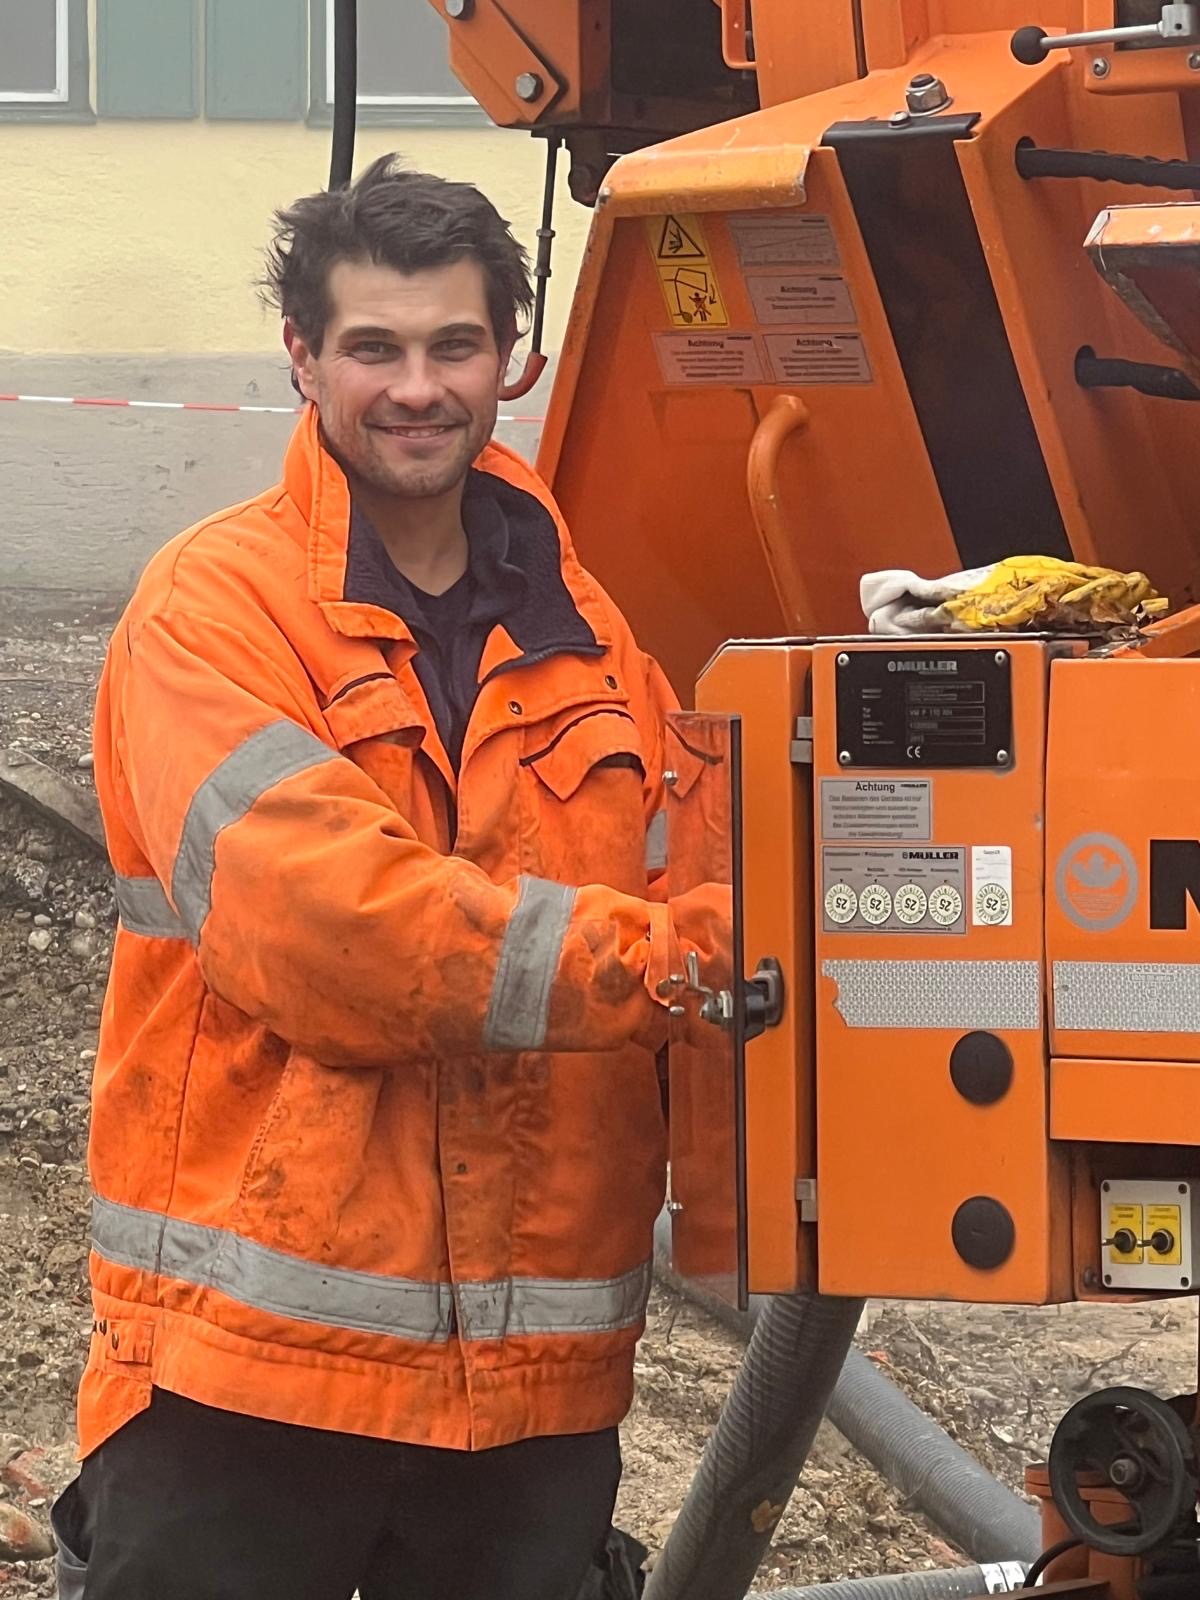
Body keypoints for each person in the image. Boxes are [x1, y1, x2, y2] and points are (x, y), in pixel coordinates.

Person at [51, 155, 720, 1600]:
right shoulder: (213, 610)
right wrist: (666, 966)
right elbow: (334, 931)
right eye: (375, 349)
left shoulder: (597, 640)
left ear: (514, 357)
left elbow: (714, 890)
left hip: (530, 1384)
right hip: (254, 1371)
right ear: (302, 358)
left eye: (455, 346)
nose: (419, 387)